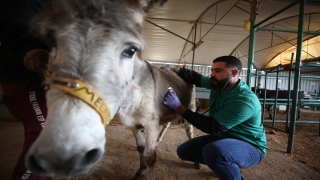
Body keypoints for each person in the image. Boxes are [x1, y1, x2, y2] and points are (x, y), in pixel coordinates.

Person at [163, 56, 268, 180]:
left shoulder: (244, 100)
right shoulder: (220, 84)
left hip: (250, 145)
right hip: (224, 137)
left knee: (214, 151)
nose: (212, 74)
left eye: (217, 71)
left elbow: (212, 127)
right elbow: (197, 78)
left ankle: (229, 166)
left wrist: (179, 107)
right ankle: (226, 164)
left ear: (233, 73)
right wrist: (172, 68)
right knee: (184, 152)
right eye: (212, 70)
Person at [0, 1, 51, 179]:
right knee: (46, 139)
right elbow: (15, 17)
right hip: (26, 80)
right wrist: (29, 47)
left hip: (47, 81)